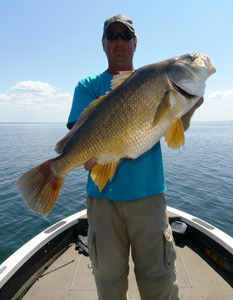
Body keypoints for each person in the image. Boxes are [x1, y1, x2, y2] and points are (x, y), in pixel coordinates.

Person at [67, 14, 203, 300]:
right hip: (103, 201)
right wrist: (75, 159)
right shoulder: (87, 86)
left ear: (135, 43)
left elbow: (173, 133)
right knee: (109, 284)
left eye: (125, 36)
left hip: (149, 197)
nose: (119, 41)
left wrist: (186, 108)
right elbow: (78, 139)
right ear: (102, 43)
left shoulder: (153, 80)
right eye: (112, 36)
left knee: (159, 283)